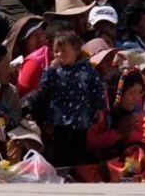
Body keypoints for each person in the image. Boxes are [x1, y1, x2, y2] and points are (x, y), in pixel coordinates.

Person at [38, 32, 106, 166]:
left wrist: (99, 108)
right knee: (61, 149)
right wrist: (50, 70)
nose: (59, 55)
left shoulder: (87, 69)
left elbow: (96, 89)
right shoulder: (55, 71)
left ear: (76, 51)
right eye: (56, 51)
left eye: (64, 51)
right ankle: (63, 173)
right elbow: (44, 87)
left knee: (80, 147)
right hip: (60, 118)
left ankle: (80, 173)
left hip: (81, 117)